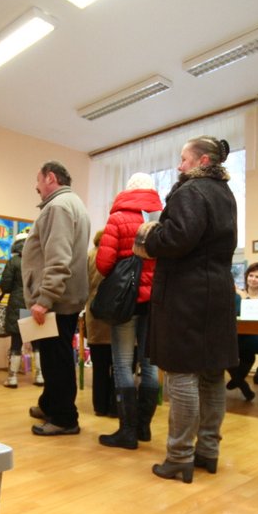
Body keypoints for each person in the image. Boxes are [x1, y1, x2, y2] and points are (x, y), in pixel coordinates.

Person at [134, 135, 238, 483]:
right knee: (212, 375)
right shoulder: (225, 193)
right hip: (217, 293)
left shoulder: (191, 191)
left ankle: (179, 456)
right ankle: (207, 451)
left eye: (183, 159)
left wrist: (149, 236)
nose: (179, 166)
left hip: (186, 296)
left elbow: (178, 238)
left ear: (203, 161)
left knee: (181, 374)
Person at [95, 172, 164, 449]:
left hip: (126, 301)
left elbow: (103, 263)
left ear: (128, 191)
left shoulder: (119, 218)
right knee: (150, 365)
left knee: (123, 364)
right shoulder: (162, 218)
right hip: (155, 301)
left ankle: (127, 431)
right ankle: (144, 428)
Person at [22, 161, 91, 436]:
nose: (36, 187)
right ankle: (50, 403)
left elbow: (58, 257)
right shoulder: (73, 203)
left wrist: (45, 298)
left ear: (50, 177)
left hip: (56, 300)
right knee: (54, 357)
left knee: (56, 359)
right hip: (65, 297)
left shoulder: (58, 206)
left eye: (38, 180)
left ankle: (64, 418)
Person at [0, 230, 43, 388]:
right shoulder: (39, 260)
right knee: (37, 342)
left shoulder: (14, 262)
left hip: (17, 304)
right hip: (36, 304)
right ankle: (39, 376)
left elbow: (5, 285)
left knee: (16, 342)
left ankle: (12, 378)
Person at [226, 262, 258, 401]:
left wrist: (243, 296)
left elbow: (256, 311)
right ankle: (242, 384)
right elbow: (235, 314)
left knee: (245, 352)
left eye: (257, 277)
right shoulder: (235, 295)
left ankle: (237, 381)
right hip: (239, 335)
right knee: (227, 352)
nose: (253, 279)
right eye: (251, 275)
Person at [85, 229, 116, 417]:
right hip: (118, 318)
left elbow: (84, 286)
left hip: (95, 317)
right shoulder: (119, 256)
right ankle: (115, 406)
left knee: (99, 368)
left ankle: (100, 406)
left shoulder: (90, 256)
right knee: (119, 367)